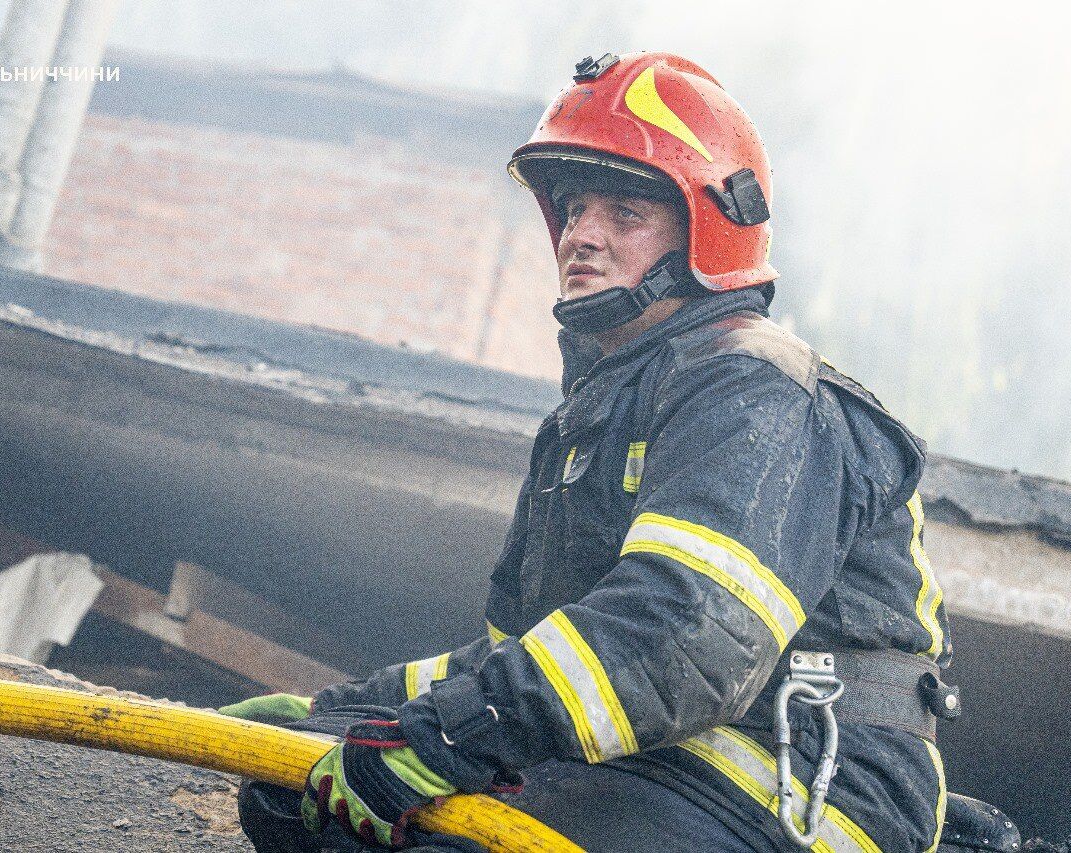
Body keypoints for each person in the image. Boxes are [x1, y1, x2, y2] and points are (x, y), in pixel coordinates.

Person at [220, 51, 955, 852]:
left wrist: (455, 737)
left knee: (455, 843)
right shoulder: (604, 413)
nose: (582, 236)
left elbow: (683, 636)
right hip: (661, 758)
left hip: (796, 777)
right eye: (571, 210)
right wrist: (351, 709)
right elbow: (517, 653)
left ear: (709, 228)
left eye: (624, 214)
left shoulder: (758, 389)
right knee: (293, 794)